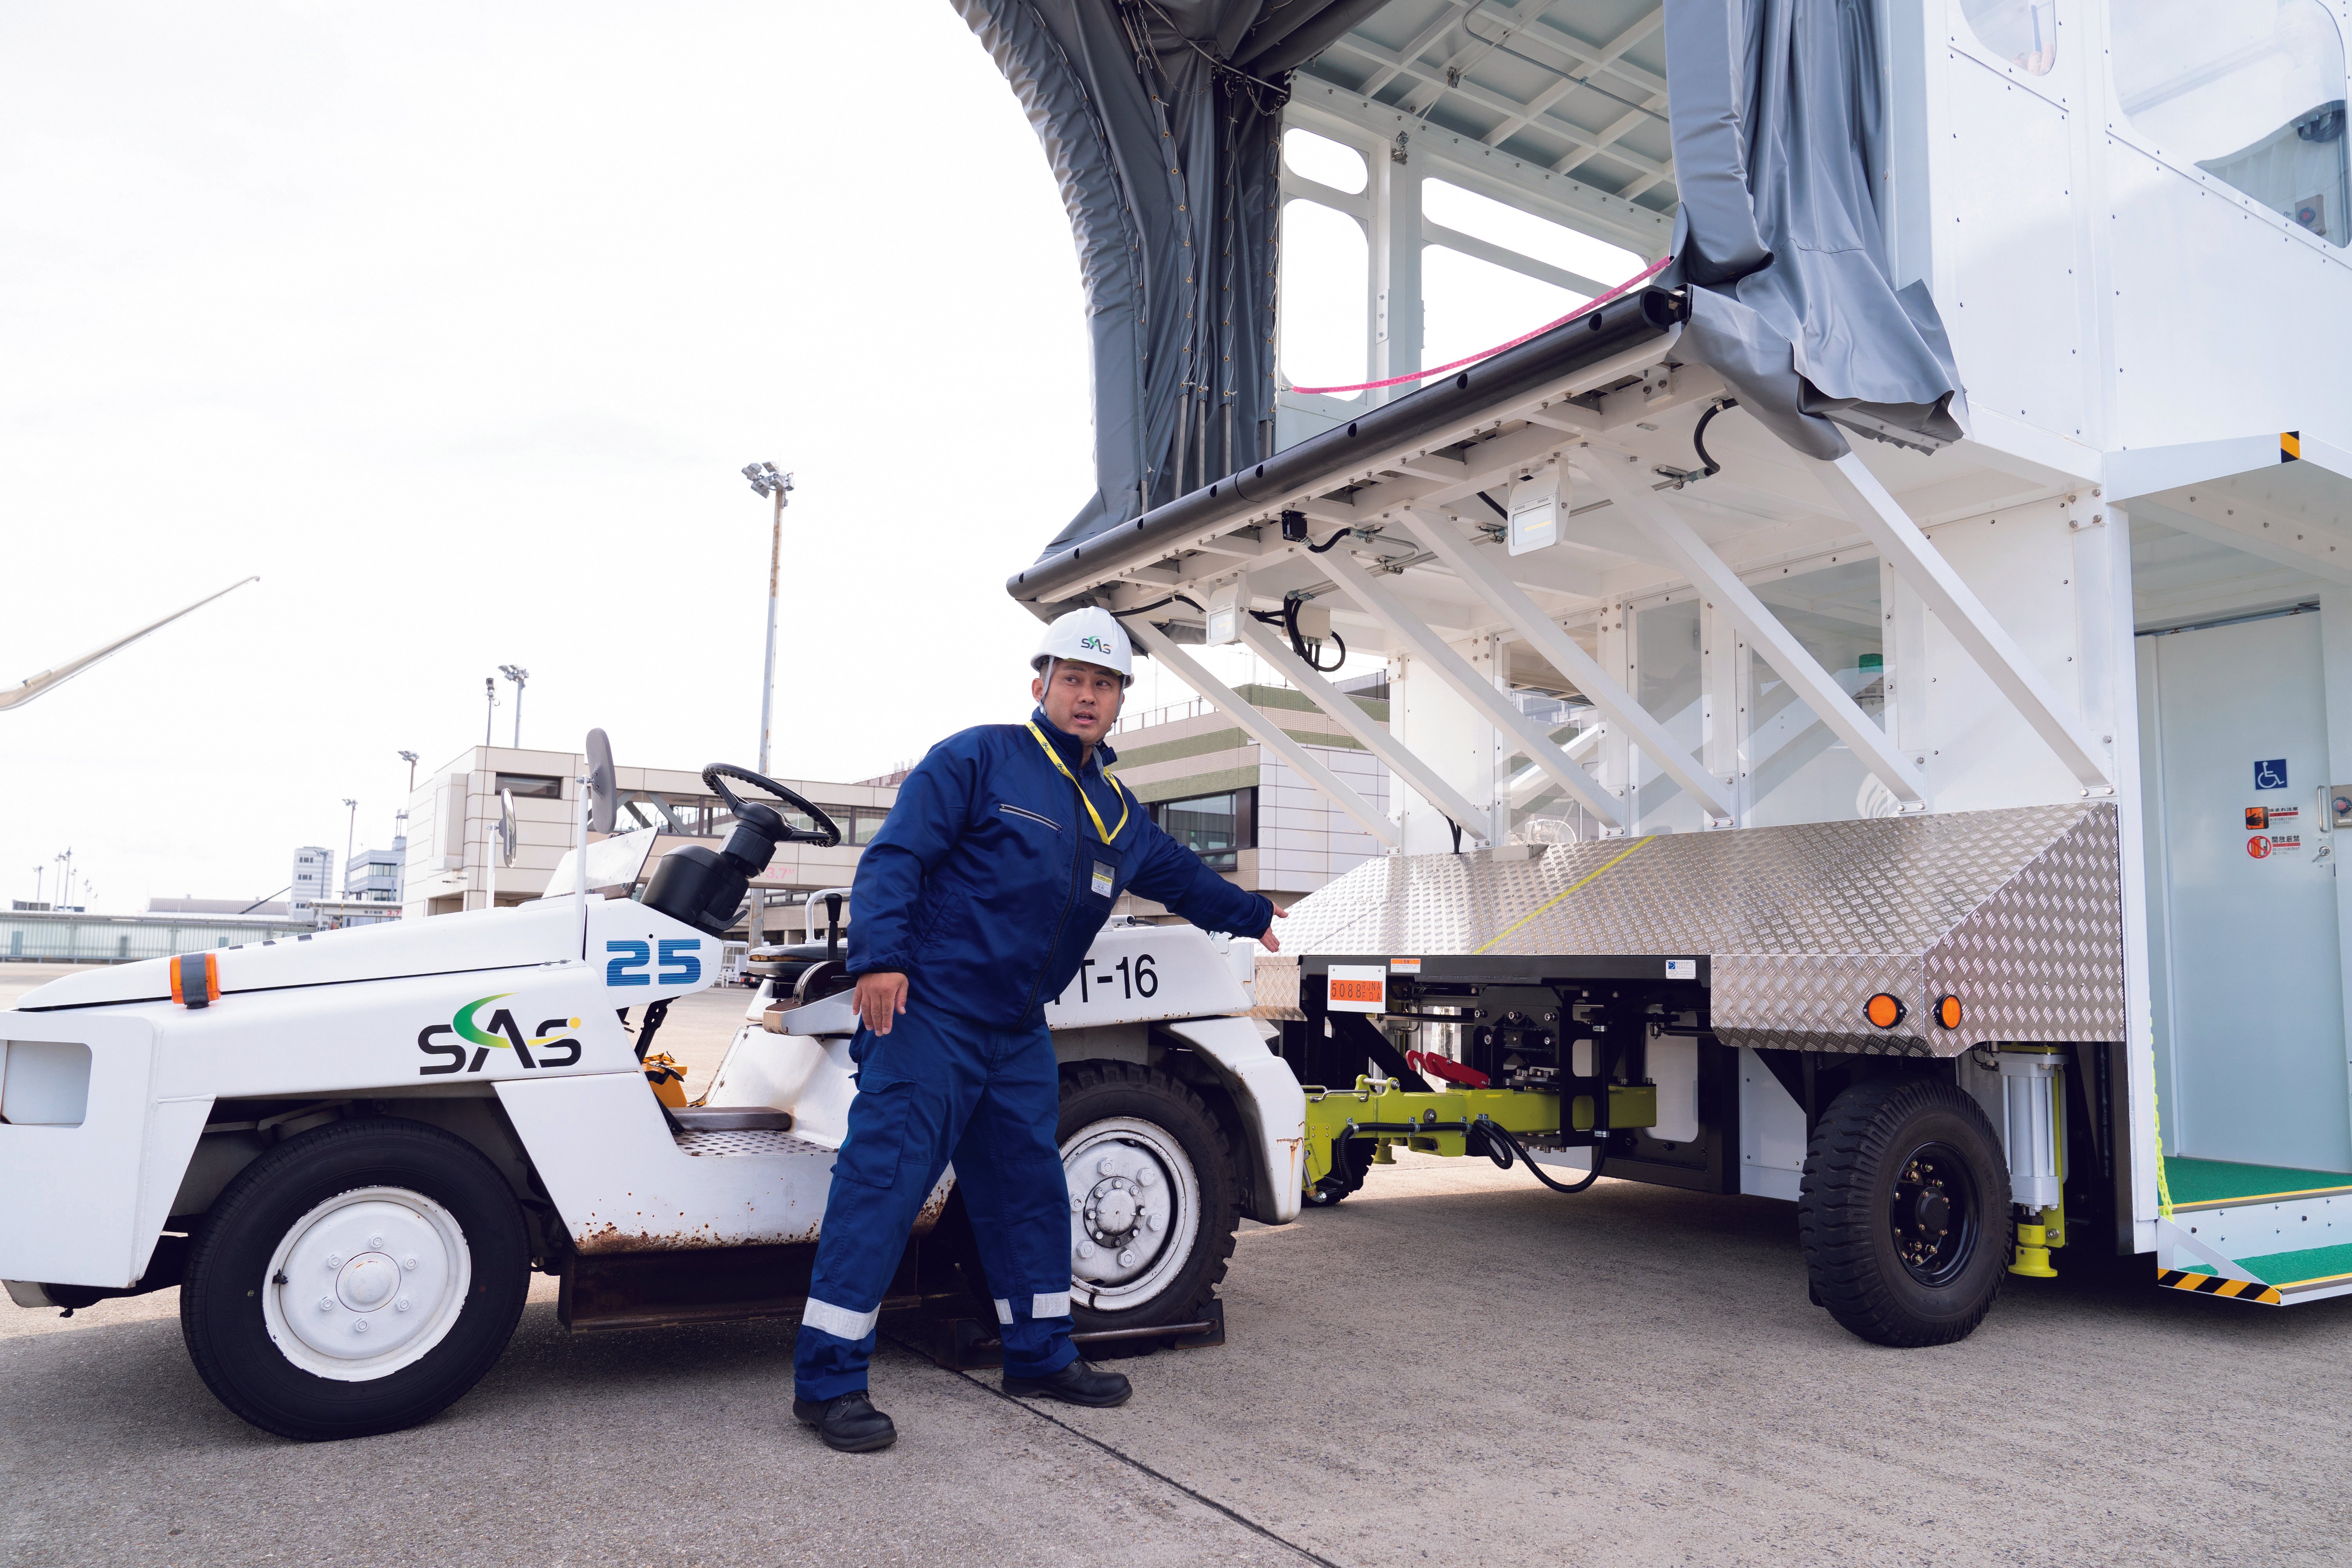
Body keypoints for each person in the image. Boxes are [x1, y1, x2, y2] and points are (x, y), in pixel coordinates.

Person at [790, 607, 1286, 1452]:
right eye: (1074, 680)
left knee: (1030, 1193)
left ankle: (1040, 1352)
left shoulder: (1116, 812)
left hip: (1018, 1028)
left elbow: (1182, 876)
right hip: (930, 1013)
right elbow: (897, 855)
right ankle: (828, 1381)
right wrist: (879, 958)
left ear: (1120, 699)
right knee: (884, 1188)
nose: (1087, 696)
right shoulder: (980, 759)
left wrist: (1252, 914)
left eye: (1104, 684)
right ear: (1041, 684)